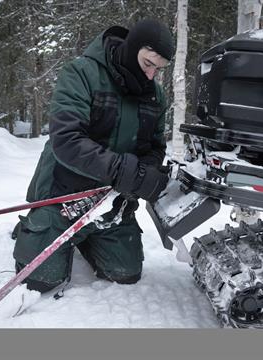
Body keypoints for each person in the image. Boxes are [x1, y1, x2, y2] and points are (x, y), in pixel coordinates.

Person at [12, 19, 175, 293]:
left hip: (110, 199)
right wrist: (126, 172)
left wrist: (146, 172)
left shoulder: (155, 95)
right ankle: (39, 224)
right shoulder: (81, 73)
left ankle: (86, 236)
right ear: (132, 48)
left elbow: (155, 146)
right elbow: (66, 140)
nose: (151, 75)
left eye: (158, 69)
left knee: (125, 273)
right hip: (63, 192)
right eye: (149, 64)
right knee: (41, 280)